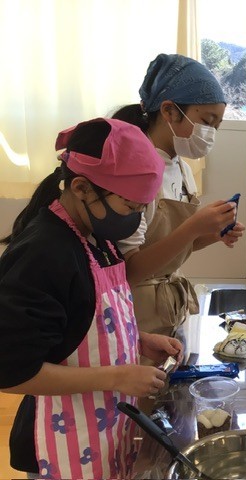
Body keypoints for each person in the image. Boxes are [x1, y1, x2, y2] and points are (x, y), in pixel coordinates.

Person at [0, 118, 183, 478]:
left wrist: (138, 340)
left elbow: (80, 322)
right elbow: (11, 372)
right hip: (60, 441)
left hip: (104, 431)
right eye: (129, 207)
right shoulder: (45, 253)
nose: (135, 220)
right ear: (82, 187)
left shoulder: (96, 237)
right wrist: (116, 377)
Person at [112, 53, 245, 338]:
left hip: (170, 307)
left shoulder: (181, 169)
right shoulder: (133, 172)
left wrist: (212, 234)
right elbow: (129, 270)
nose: (210, 133)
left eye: (216, 126)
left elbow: (173, 246)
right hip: (134, 315)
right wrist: (194, 227)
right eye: (207, 121)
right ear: (169, 111)